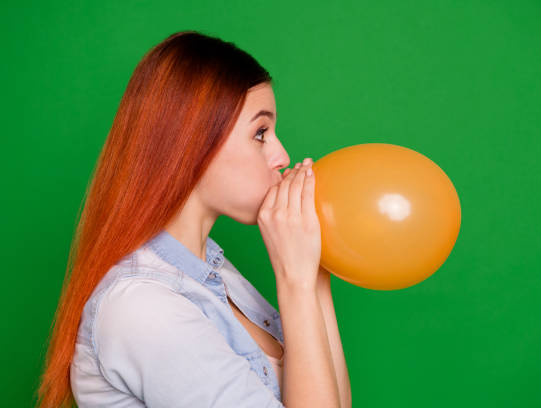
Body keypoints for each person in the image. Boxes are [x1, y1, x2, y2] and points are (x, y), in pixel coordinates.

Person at [35, 30, 351, 408]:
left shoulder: (214, 271)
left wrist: (315, 277)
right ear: (193, 144)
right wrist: (295, 283)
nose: (282, 156)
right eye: (261, 133)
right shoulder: (142, 307)